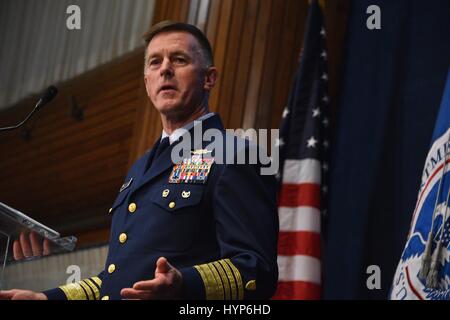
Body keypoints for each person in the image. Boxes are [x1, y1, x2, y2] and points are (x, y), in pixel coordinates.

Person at [0, 20, 279, 300]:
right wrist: (47, 298)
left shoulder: (236, 154)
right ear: (147, 82)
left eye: (179, 59)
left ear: (209, 78)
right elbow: (117, 278)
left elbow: (256, 271)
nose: (165, 69)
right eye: (155, 62)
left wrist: (184, 284)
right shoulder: (140, 168)